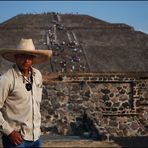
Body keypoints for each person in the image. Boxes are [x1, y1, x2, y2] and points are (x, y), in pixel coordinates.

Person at [0, 38, 52, 147]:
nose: (26, 60)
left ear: (33, 58)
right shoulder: (7, 79)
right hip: (16, 139)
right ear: (16, 57)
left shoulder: (37, 75)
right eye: (23, 56)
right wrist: (9, 132)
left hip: (36, 137)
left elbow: (35, 104)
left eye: (29, 56)